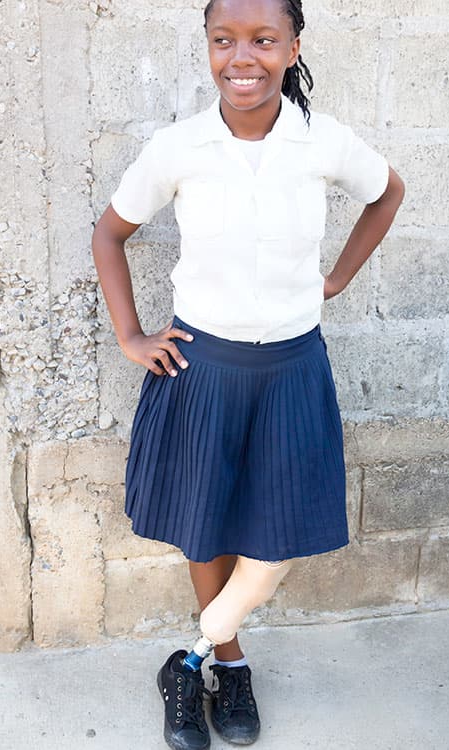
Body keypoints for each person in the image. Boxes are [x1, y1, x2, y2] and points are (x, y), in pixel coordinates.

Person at [92, 0, 405, 747]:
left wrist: (336, 281)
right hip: (202, 366)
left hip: (292, 366)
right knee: (207, 523)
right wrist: (131, 335)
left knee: (276, 537)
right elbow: (109, 232)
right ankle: (227, 667)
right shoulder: (180, 147)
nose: (243, 59)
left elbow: (386, 193)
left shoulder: (322, 140)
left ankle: (190, 654)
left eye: (263, 41)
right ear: (206, 48)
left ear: (293, 47)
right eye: (223, 41)